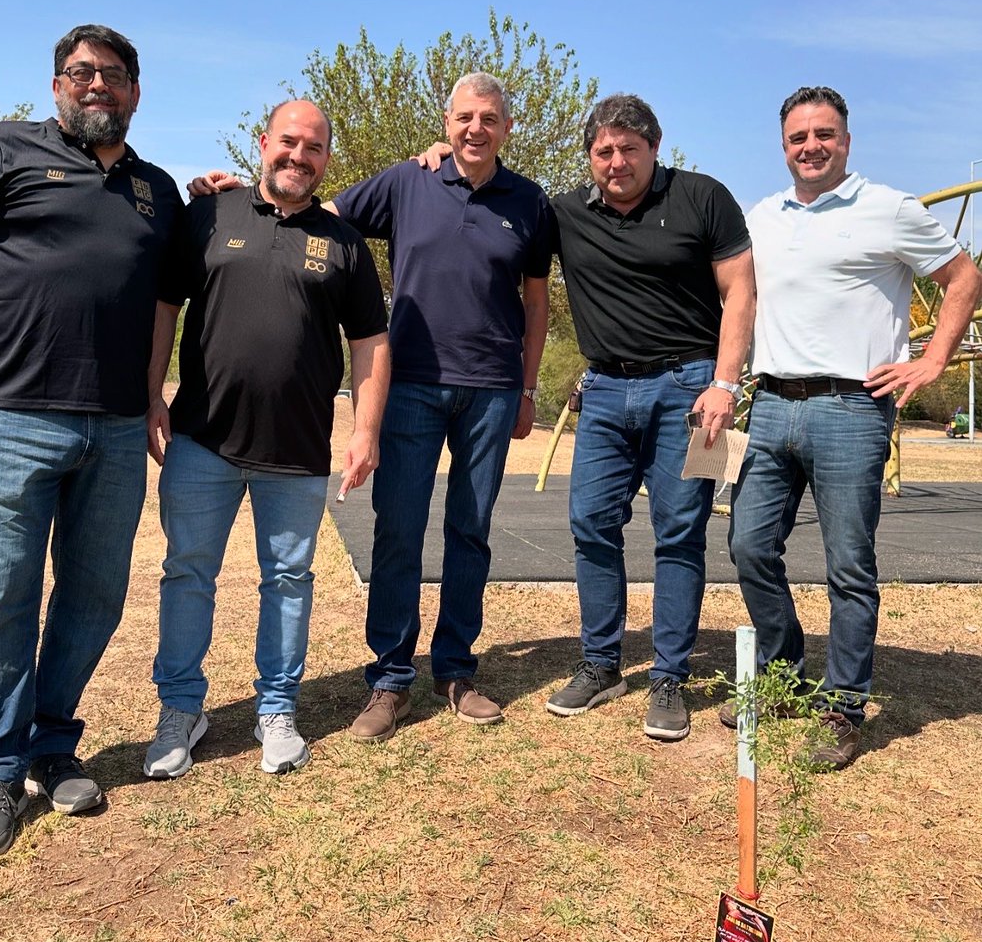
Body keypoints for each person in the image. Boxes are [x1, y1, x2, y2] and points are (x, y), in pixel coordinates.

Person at [187, 72, 553, 742]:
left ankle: (457, 672)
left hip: (493, 390)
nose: (476, 129)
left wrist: (528, 388)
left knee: (470, 530)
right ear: (447, 122)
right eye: (465, 117)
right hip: (410, 383)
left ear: (507, 127)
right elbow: (312, 214)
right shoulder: (407, 181)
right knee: (399, 533)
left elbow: (536, 302)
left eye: (490, 119)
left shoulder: (530, 202)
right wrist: (236, 201)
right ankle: (389, 681)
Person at [0, 24, 184, 863]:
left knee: (94, 594)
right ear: (58, 84)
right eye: (80, 72)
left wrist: (150, 391)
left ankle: (52, 743)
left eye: (112, 75)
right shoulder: (3, 150)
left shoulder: (156, 190)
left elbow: (166, 300)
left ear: (135, 90)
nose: (96, 85)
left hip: (117, 427)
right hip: (13, 418)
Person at [727, 86, 982, 768]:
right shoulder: (765, 215)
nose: (810, 146)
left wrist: (932, 361)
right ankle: (783, 678)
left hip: (852, 408)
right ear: (783, 145)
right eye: (797, 137)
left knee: (847, 565)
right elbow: (734, 293)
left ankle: (842, 706)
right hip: (772, 403)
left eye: (824, 134)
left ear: (846, 139)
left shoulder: (888, 209)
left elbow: (964, 276)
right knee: (748, 546)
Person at [145, 100, 389, 779]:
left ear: (325, 160)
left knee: (288, 581)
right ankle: (181, 710)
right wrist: (150, 393)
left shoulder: (343, 244)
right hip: (203, 440)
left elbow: (370, 340)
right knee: (189, 574)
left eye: (313, 148)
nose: (298, 157)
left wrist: (365, 428)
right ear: (263, 143)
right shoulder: (210, 214)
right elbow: (166, 307)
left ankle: (276, 708)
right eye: (288, 142)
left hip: (299, 450)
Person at [543, 95, 756, 740]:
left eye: (628, 149)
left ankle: (668, 676)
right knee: (590, 523)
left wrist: (725, 382)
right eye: (603, 151)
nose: (616, 162)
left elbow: (740, 290)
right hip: (604, 389)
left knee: (679, 531)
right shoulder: (566, 211)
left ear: (654, 149)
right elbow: (488, 199)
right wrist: (436, 160)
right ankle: (602, 663)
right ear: (590, 157)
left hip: (688, 387)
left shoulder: (702, 197)